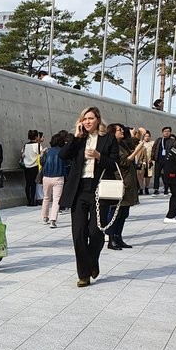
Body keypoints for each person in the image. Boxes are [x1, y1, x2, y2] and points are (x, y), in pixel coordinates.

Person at [59, 106, 119, 287]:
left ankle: (92, 260)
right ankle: (83, 274)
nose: (87, 122)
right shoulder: (77, 139)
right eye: (84, 119)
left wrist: (99, 156)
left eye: (91, 118)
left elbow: (115, 164)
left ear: (98, 120)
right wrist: (75, 139)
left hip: (99, 189)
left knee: (95, 232)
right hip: (78, 190)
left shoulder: (108, 138)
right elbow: (63, 155)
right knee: (78, 234)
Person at [104, 124, 143, 250]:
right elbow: (124, 162)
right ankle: (111, 239)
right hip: (120, 181)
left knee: (124, 213)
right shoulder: (113, 146)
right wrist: (137, 150)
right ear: (112, 132)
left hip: (128, 181)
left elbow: (131, 142)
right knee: (116, 212)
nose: (122, 131)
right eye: (119, 130)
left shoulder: (122, 143)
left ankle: (118, 237)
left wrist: (136, 136)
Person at [40, 133, 68, 228]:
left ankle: (44, 217)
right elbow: (67, 164)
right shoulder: (63, 151)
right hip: (59, 177)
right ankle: (53, 220)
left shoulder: (47, 151)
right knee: (56, 199)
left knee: (46, 197)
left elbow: (42, 162)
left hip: (46, 177)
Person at [151, 127, 176, 195]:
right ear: (162, 132)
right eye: (165, 131)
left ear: (170, 132)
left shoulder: (172, 141)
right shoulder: (159, 140)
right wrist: (152, 158)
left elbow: (174, 150)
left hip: (167, 161)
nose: (166, 132)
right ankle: (156, 190)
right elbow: (154, 149)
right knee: (156, 175)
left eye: (168, 131)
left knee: (166, 175)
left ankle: (166, 189)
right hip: (158, 160)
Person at [21, 130, 42, 206]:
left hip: (26, 166)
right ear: (36, 137)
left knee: (28, 183)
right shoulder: (38, 145)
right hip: (34, 166)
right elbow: (41, 155)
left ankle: (29, 200)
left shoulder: (25, 145)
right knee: (33, 184)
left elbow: (23, 154)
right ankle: (33, 201)